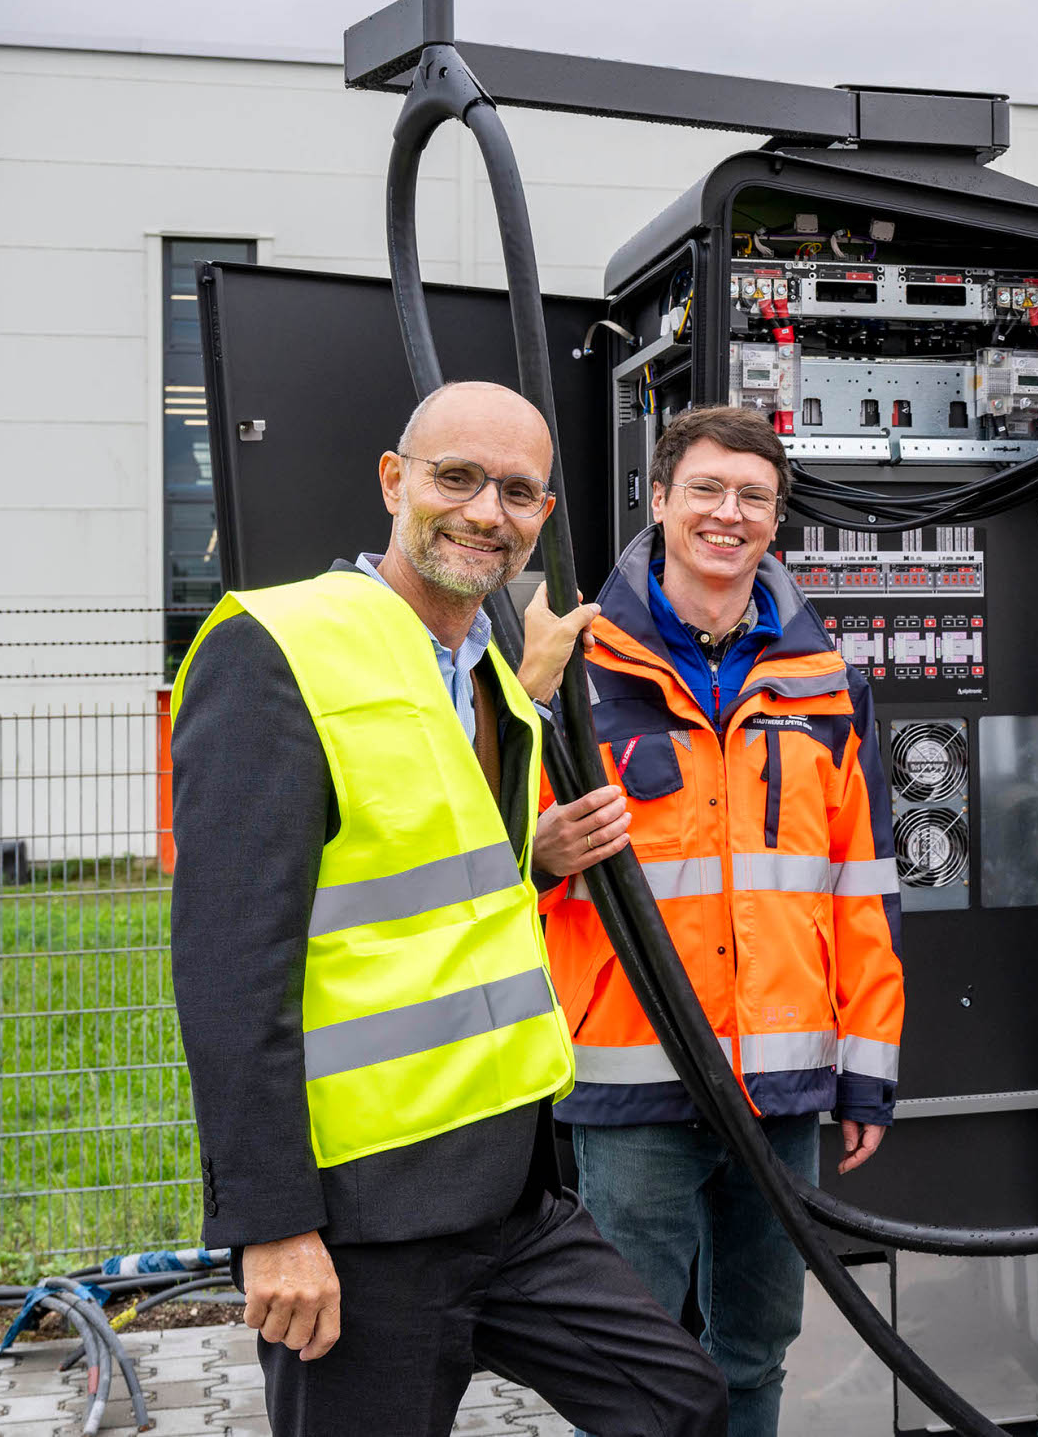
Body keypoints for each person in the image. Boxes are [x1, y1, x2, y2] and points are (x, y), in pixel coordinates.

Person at [169, 380, 726, 1437]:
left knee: (679, 1397)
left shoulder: (492, 678)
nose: (485, 510)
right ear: (395, 481)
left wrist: (540, 856)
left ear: (544, 518)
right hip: (366, 1220)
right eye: (456, 477)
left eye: (517, 491)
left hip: (510, 1190)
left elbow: (434, 879)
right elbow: (230, 965)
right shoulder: (282, 649)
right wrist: (273, 1225)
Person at [533, 404, 905, 1437]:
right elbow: (473, 845)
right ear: (659, 500)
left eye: (752, 496)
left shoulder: (823, 679)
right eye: (705, 489)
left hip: (778, 1090)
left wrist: (867, 1066)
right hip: (631, 1079)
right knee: (633, 1362)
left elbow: (860, 882)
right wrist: (535, 849)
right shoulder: (571, 660)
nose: (727, 514)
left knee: (755, 1346)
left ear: (776, 519)